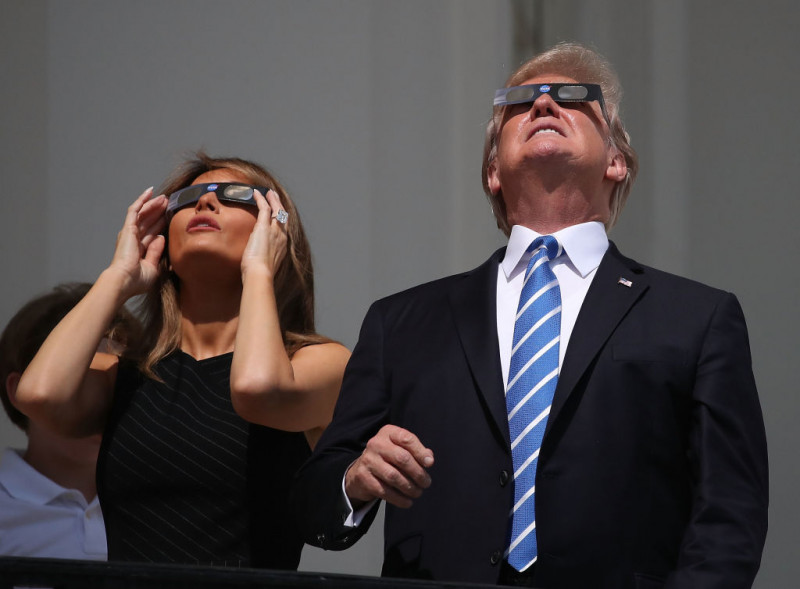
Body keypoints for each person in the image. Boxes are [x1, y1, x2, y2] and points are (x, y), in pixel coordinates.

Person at [292, 43, 769, 588]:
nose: (543, 102)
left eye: (573, 96)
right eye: (519, 101)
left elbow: (731, 516)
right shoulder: (400, 322)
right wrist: (355, 480)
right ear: (493, 170)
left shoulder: (698, 318)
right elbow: (313, 507)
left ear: (616, 160)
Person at [15, 153, 350, 568]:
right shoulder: (126, 376)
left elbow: (257, 390)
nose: (205, 203)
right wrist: (118, 277)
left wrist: (260, 272)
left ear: (277, 231)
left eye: (237, 195)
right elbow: (39, 395)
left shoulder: (319, 364)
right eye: (188, 198)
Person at [0, 282, 140, 559]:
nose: (105, 401)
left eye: (123, 380)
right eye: (85, 379)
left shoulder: (162, 500)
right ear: (21, 390)